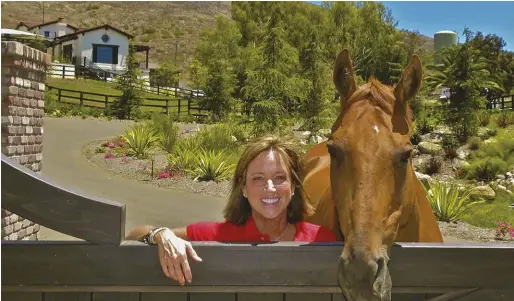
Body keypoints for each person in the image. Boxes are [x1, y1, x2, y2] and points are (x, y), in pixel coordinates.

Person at [126, 135, 337, 285]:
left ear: (293, 187)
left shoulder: (322, 238)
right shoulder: (217, 234)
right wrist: (162, 235)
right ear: (243, 188)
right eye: (258, 178)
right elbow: (134, 234)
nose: (270, 187)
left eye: (280, 178)